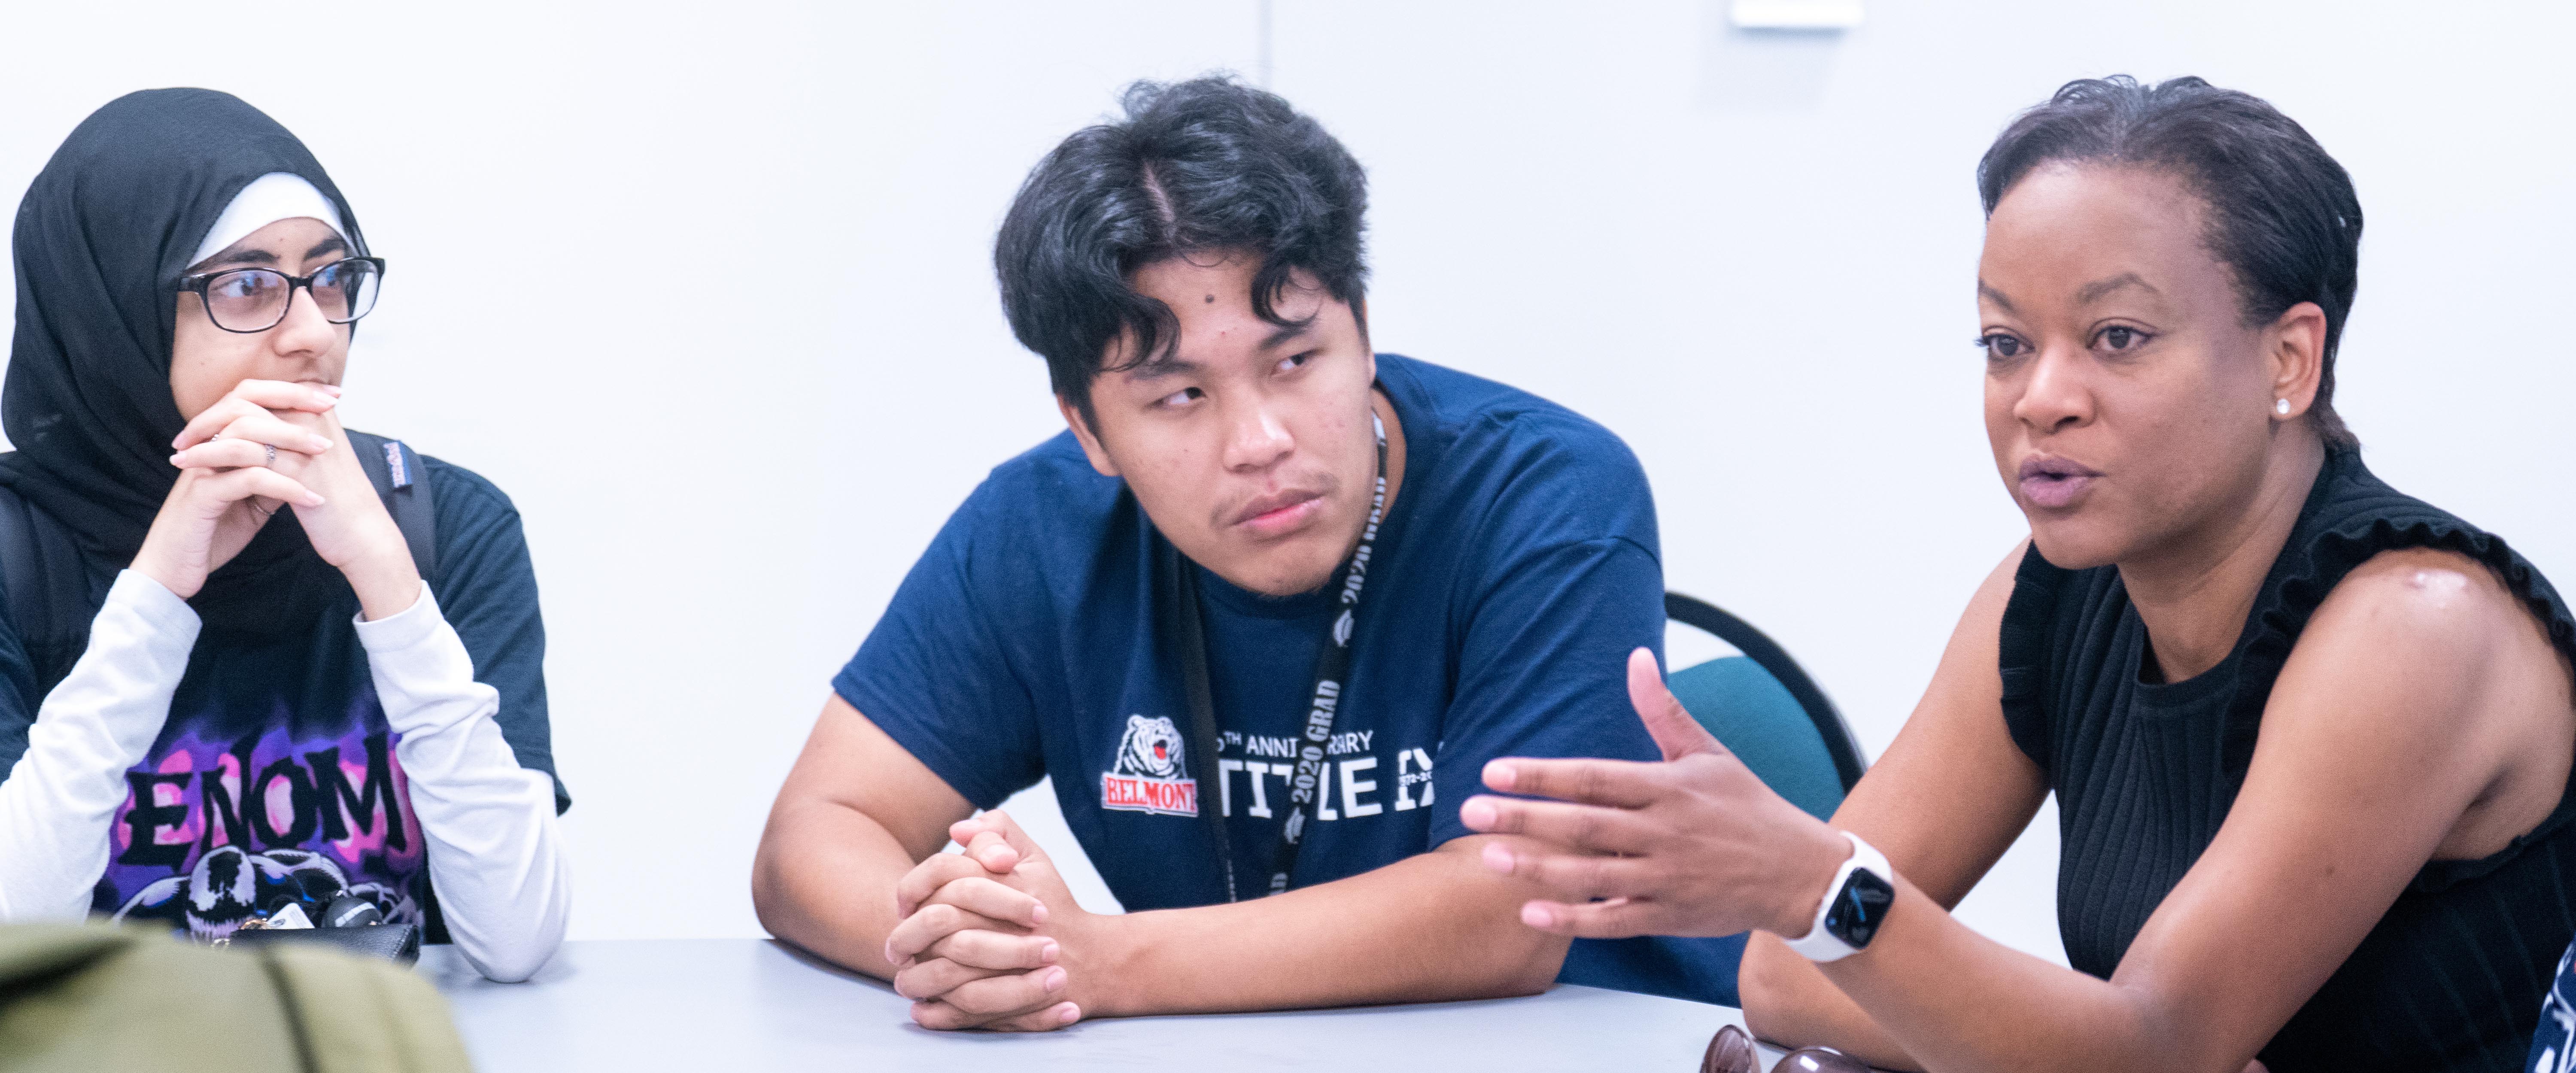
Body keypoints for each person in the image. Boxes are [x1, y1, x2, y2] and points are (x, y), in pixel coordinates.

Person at [1460, 75, 2576, 1072]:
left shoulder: (2415, 628)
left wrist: (1826, 893)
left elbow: (2149, 1049)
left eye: (2119, 337)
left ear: (2289, 358)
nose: (2041, 396)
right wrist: (2069, 1042)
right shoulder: (2047, 595)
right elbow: (1786, 976)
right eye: (2005, 343)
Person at [752, 75, 1737, 1031]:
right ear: (1089, 430)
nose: (1260, 440)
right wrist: (974, 944)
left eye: (1296, 360)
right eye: (1180, 395)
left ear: (1364, 333)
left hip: (1605, 1039)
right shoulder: (1041, 529)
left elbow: (1509, 911)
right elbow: (816, 831)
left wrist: (1095, 961)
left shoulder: (1547, 492)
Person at [0, 89, 570, 983]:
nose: (314, 334)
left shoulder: (448, 525)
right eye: (247, 285)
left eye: (332, 277)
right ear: (113, 317)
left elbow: (516, 941)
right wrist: (151, 598)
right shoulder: (16, 553)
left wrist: (390, 585)